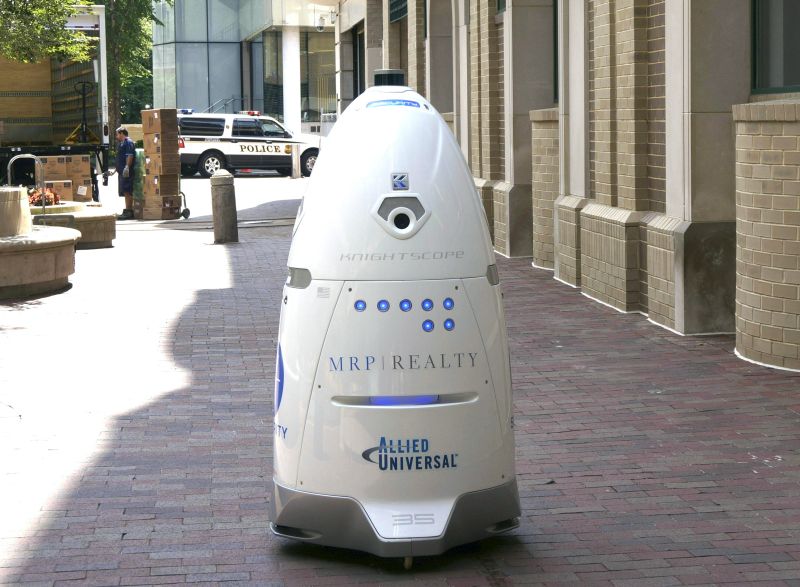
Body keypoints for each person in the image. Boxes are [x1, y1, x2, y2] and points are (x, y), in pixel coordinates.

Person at [114, 126, 136, 220]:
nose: (116, 136)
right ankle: (127, 210)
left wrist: (127, 167)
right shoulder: (122, 143)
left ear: (122, 133)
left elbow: (129, 156)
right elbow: (120, 158)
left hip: (126, 172)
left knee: (127, 191)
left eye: (117, 134)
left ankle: (129, 211)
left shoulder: (128, 142)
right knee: (125, 191)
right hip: (121, 171)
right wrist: (115, 170)